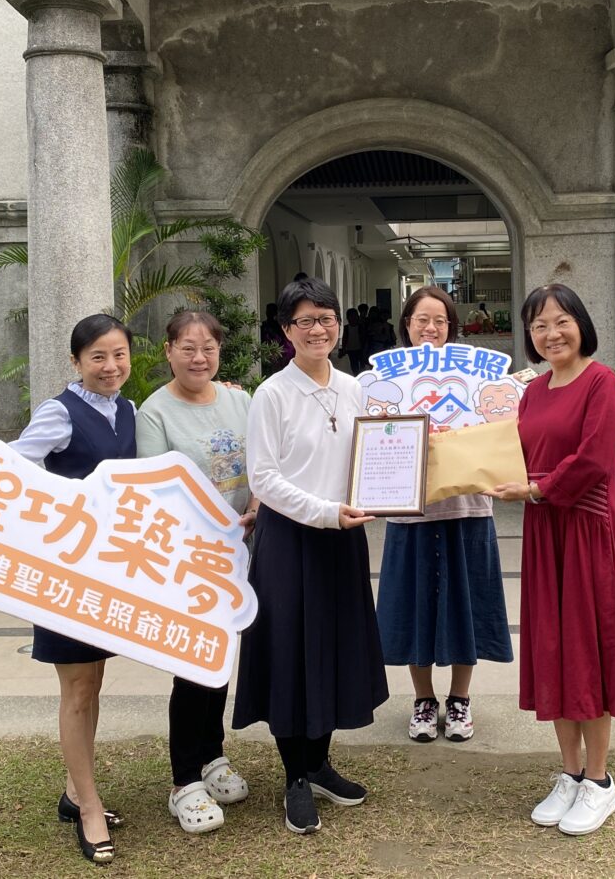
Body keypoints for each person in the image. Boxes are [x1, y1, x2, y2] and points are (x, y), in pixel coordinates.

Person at [0, 314, 135, 865]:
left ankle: (75, 792)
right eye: (97, 357)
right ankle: (89, 809)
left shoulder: (129, 411)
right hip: (64, 574)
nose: (110, 367)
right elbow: (10, 461)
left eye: (119, 355)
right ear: (76, 361)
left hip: (107, 573)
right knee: (78, 690)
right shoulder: (61, 412)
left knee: (94, 682)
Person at [231, 276, 388, 835]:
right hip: (290, 541)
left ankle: (320, 763)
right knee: (291, 655)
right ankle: (295, 775)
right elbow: (264, 479)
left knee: (335, 649)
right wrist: (324, 511)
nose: (317, 329)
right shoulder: (272, 394)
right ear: (286, 330)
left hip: (342, 538)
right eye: (305, 321)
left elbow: (375, 454)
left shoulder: (355, 388)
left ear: (339, 325)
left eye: (326, 318)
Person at [493, 284, 615, 837]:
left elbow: (595, 461)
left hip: (586, 530)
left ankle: (599, 781)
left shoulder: (602, 383)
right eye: (538, 326)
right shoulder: (533, 391)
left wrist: (535, 489)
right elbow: (515, 451)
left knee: (588, 649)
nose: (551, 334)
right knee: (554, 648)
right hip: (544, 531)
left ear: (581, 324)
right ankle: (570, 773)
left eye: (561, 321)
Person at [136, 311, 257, 833]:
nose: (199, 357)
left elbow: (262, 463)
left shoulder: (240, 401)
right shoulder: (154, 412)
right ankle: (184, 780)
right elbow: (154, 491)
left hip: (239, 553)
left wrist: (256, 506)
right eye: (187, 347)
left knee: (220, 657)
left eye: (208, 347)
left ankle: (212, 756)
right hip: (187, 558)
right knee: (192, 662)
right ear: (168, 351)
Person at [377, 286, 513, 743]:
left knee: (465, 606)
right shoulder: (385, 381)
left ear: (452, 327)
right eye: (422, 319)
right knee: (413, 606)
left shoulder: (476, 376)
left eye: (440, 320)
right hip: (409, 512)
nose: (431, 328)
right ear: (407, 325)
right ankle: (423, 700)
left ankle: (459, 699)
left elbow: (501, 422)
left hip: (468, 509)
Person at [260, 303, 291, 375]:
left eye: (271, 311)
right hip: (268, 354)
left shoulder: (280, 326)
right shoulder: (264, 325)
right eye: (268, 311)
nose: (268, 313)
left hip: (281, 354)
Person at [341, 307, 366, 373]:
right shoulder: (346, 327)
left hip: (360, 348)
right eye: (351, 316)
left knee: (361, 363)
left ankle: (360, 373)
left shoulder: (360, 327)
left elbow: (363, 337)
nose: (353, 318)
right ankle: (356, 374)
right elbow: (345, 338)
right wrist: (344, 348)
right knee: (353, 364)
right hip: (351, 349)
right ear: (348, 318)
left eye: (354, 316)